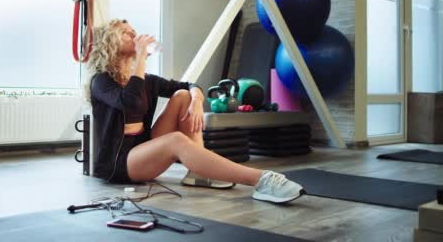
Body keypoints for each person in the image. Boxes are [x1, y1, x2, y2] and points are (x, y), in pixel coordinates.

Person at [87, 19, 305, 203]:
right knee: (175, 140)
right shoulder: (101, 81)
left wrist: (197, 99)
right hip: (119, 163)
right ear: (110, 43)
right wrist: (141, 57)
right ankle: (260, 180)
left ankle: (198, 174)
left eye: (133, 32)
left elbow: (188, 86)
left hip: (143, 149)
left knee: (183, 96)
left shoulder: (147, 81)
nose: (134, 36)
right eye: (126, 33)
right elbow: (130, 102)